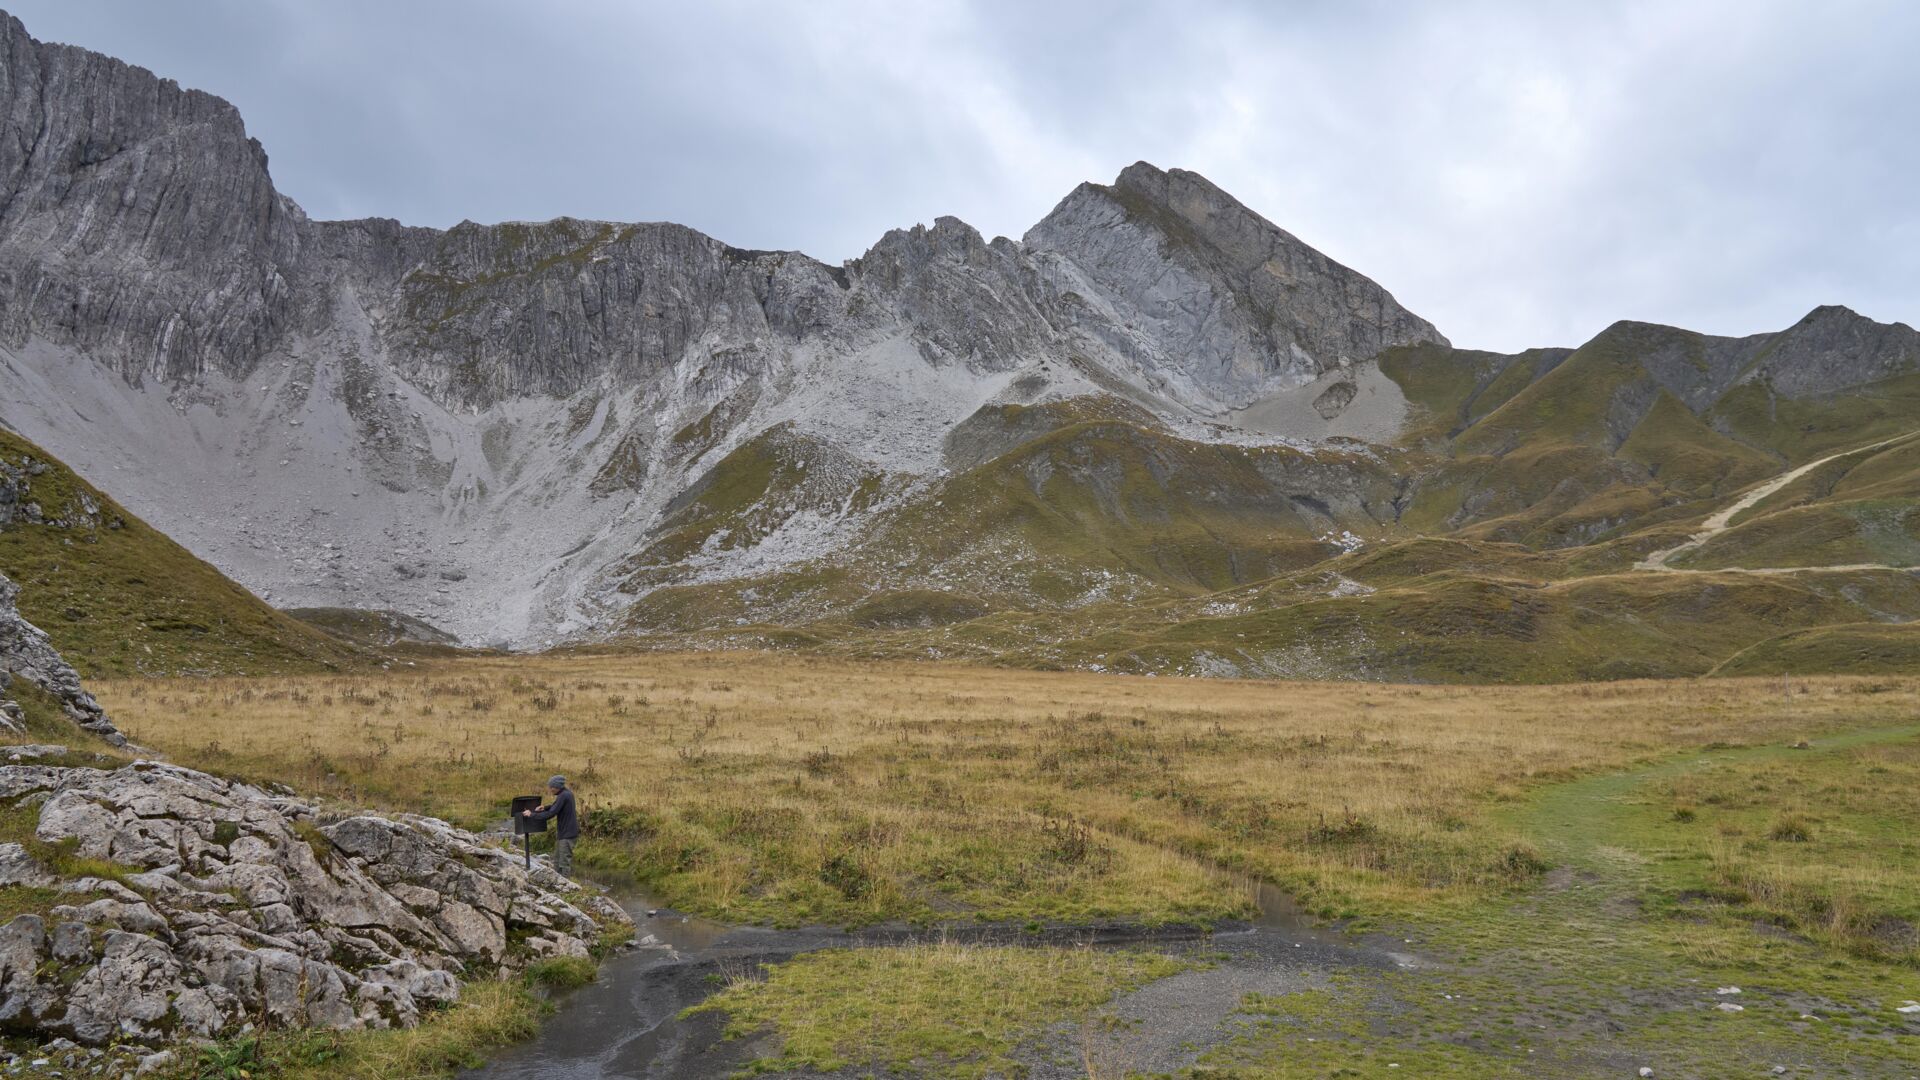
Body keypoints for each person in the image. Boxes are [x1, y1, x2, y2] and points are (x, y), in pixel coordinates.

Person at [521, 775, 579, 879]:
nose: (550, 789)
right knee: (557, 861)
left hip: (567, 834)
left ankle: (566, 886)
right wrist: (545, 807)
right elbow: (555, 807)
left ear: (557, 787)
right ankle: (558, 882)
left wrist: (532, 814)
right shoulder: (565, 794)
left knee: (564, 862)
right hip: (564, 833)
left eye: (551, 787)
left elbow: (551, 814)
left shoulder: (564, 796)